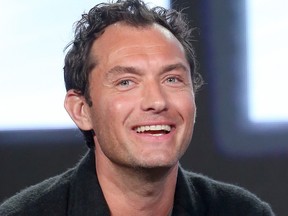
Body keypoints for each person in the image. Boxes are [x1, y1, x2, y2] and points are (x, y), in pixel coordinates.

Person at [0, 0, 275, 215]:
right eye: (126, 82)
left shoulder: (243, 211)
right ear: (81, 109)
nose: (157, 101)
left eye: (172, 79)